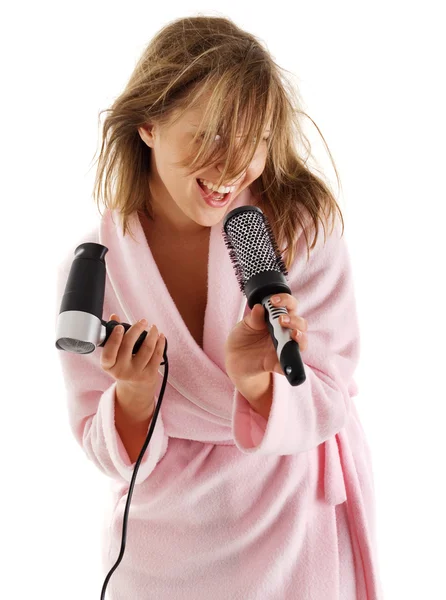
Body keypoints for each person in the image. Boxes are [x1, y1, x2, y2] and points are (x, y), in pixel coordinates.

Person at [55, 15, 384, 600]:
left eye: (254, 140)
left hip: (287, 524)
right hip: (160, 544)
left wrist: (260, 386)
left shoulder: (298, 231)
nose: (233, 166)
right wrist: (133, 396)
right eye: (209, 136)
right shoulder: (95, 268)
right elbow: (101, 444)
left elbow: (329, 393)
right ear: (149, 125)